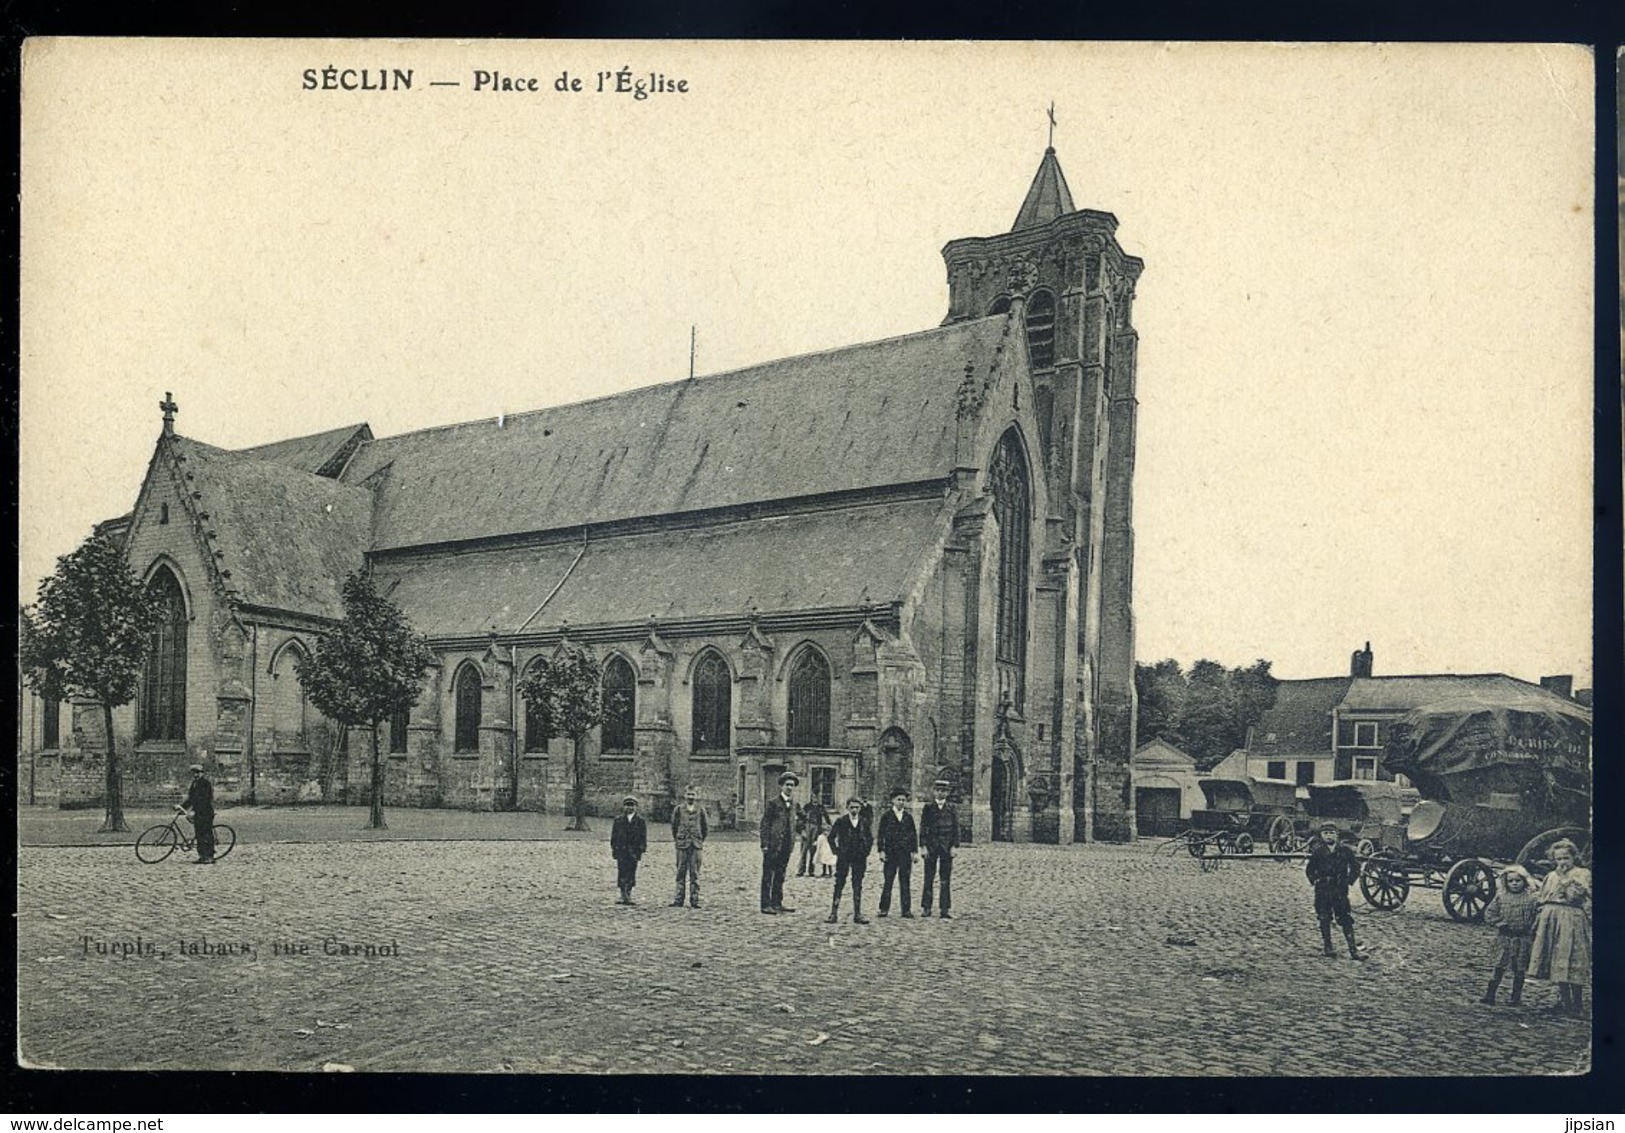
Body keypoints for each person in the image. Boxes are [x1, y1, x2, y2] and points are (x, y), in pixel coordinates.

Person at [1529, 838, 1591, 1016]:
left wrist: (1565, 880)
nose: (1562, 862)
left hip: (1571, 918)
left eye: (1566, 858)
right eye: (1558, 859)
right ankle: (1565, 1002)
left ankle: (1577, 1005)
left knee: (1572, 957)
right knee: (1556, 959)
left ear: (1574, 857)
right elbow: (1543, 898)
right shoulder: (1551, 876)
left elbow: (1575, 897)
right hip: (1551, 918)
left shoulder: (1581, 874)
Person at [1480, 864, 1538, 1006]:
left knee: (1519, 968)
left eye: (1517, 881)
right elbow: (1490, 914)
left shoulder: (1532, 898)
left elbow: (1538, 915)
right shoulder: (1501, 897)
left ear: (1524, 881)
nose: (1514, 884)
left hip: (1523, 938)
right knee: (1499, 965)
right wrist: (1500, 924)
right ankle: (1490, 994)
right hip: (1505, 937)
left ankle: (1515, 997)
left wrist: (1531, 928)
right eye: (1511, 881)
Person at [1305, 821, 1364, 960]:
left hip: (1339, 890)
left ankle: (1353, 950)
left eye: (1331, 833)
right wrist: (1315, 880)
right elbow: (1310, 869)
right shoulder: (1318, 851)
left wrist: (1349, 880)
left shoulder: (1345, 850)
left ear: (1337, 835)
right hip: (1323, 890)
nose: (1328, 836)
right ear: (1321, 835)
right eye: (1325, 833)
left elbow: (1355, 867)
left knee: (1345, 918)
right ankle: (1328, 947)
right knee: (1324, 917)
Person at [825, 796, 874, 924]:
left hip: (859, 857)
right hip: (844, 857)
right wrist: (837, 851)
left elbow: (870, 838)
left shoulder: (864, 821)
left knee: (857, 884)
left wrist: (866, 851)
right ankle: (833, 913)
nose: (854, 810)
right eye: (851, 807)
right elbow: (831, 838)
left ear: (860, 808)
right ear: (847, 808)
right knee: (839, 883)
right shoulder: (841, 821)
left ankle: (857, 914)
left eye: (857, 807)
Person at [759, 771, 799, 914]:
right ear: (782, 786)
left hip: (786, 846)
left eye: (792, 785)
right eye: (787, 785)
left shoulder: (794, 804)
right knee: (768, 875)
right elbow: (765, 824)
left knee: (780, 875)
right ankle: (765, 904)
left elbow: (794, 823)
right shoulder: (773, 803)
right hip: (773, 845)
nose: (789, 787)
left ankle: (777, 903)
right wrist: (764, 843)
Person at [876, 787, 919, 918]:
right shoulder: (886, 816)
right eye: (898, 799)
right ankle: (884, 909)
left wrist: (914, 852)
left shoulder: (908, 817)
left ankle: (906, 909)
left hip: (905, 854)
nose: (901, 802)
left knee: (905, 881)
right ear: (893, 801)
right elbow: (880, 835)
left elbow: (913, 835)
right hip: (890, 853)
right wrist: (881, 851)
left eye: (903, 800)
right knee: (888, 881)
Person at [919, 777, 958, 918]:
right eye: (938, 790)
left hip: (946, 847)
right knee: (928, 877)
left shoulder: (952, 808)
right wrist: (923, 846)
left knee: (945, 878)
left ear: (947, 793)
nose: (941, 793)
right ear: (934, 792)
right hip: (931, 846)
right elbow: (923, 828)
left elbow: (955, 828)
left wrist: (954, 846)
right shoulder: (928, 808)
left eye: (944, 791)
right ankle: (926, 907)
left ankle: (944, 909)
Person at [670, 785, 708, 908]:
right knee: (681, 872)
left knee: (695, 873)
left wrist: (699, 839)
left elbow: (705, 827)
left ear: (696, 796)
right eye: (688, 794)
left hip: (696, 844)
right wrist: (679, 838)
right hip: (682, 844)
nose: (690, 797)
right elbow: (674, 826)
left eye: (693, 794)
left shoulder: (701, 810)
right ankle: (678, 899)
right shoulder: (679, 809)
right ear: (684, 795)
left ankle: (694, 899)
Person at [610, 795, 647, 905]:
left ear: (636, 807)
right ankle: (622, 893)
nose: (629, 808)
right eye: (627, 805)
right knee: (622, 871)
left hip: (633, 851)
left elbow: (643, 837)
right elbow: (614, 836)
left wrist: (640, 849)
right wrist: (615, 849)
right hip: (622, 851)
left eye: (632, 805)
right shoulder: (618, 820)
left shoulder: (640, 821)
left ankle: (629, 893)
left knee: (631, 872)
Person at [180, 764, 216, 865]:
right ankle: (202, 856)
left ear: (202, 773)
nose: (196, 775)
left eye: (198, 773)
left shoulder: (205, 783)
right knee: (199, 834)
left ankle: (209, 856)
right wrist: (182, 807)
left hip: (205, 812)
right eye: (194, 773)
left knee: (206, 834)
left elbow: (204, 799)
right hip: (198, 813)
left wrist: (194, 810)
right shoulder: (194, 784)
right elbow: (191, 798)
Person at [796, 799, 827, 877]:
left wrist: (824, 831)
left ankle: (811, 871)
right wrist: (802, 830)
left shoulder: (821, 807)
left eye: (817, 796)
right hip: (807, 828)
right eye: (814, 796)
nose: (816, 798)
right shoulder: (807, 807)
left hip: (816, 830)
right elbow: (800, 819)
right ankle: (801, 870)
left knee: (813, 851)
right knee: (803, 851)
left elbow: (826, 819)